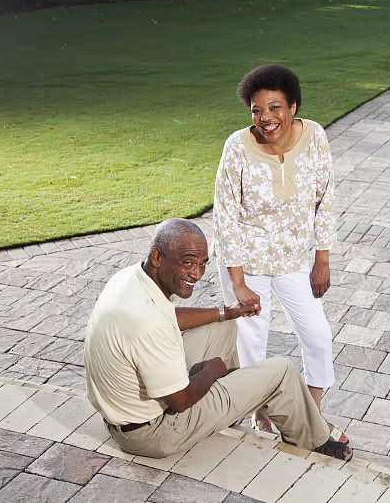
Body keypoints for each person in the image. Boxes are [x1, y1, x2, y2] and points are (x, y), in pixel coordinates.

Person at [84, 218, 351, 460]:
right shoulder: (149, 325)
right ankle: (314, 441)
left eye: (202, 264)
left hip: (123, 413)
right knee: (281, 370)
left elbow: (168, 317)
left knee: (225, 327)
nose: (197, 274)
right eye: (187, 262)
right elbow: (180, 401)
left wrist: (226, 312)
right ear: (157, 257)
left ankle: (227, 409)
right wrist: (212, 371)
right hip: (153, 433)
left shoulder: (129, 279)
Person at [213, 63, 344, 441]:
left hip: (293, 260)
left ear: (293, 107)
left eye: (275, 107)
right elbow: (226, 217)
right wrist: (237, 284)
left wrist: (322, 258)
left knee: (318, 335)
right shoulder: (237, 147)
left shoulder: (315, 136)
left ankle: (311, 413)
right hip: (247, 263)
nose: (266, 118)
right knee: (251, 342)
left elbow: (325, 199)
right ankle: (259, 412)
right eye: (257, 110)